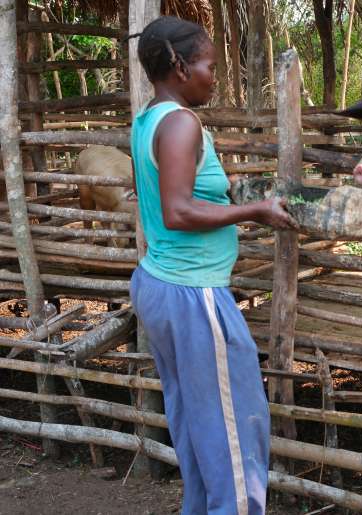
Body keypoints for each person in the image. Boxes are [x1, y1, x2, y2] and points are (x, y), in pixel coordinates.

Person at [128, 15, 296, 515]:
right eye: (208, 65)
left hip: (164, 284)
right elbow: (178, 211)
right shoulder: (181, 123)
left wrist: (232, 196)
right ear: (180, 67)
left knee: (199, 421)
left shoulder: (150, 119)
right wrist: (256, 211)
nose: (214, 75)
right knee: (235, 427)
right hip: (192, 294)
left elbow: (164, 197)